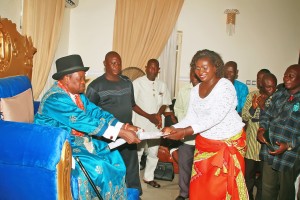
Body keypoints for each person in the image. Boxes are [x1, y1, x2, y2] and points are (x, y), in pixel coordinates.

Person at [34, 54, 141, 200]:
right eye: (80, 78)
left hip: (76, 141)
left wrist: (123, 126)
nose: (84, 82)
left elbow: (97, 113)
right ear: (66, 78)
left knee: (113, 155)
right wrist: (120, 133)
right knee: (98, 165)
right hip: (58, 146)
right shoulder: (55, 99)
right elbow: (83, 121)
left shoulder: (78, 95)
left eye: (84, 77)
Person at [162, 49, 248, 200]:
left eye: (205, 67)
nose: (200, 71)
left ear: (216, 66)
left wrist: (185, 132)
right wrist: (174, 128)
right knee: (201, 186)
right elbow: (191, 117)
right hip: (206, 144)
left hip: (228, 143)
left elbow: (215, 117)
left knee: (220, 190)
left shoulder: (225, 86)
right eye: (197, 67)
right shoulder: (195, 91)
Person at [86, 51, 158, 195]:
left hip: (128, 131)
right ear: (105, 64)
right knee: (110, 166)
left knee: (131, 165)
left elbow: (131, 104)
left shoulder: (127, 83)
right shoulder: (95, 86)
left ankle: (135, 194)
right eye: (113, 63)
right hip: (107, 134)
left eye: (119, 63)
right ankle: (112, 194)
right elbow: (90, 114)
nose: (116, 66)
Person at [257, 64, 300, 200]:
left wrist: (288, 145)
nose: (286, 79)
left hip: (289, 154)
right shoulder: (279, 94)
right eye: (285, 75)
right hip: (270, 150)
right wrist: (262, 128)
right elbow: (266, 113)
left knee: (285, 193)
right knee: (268, 189)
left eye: (291, 76)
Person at [132, 58, 172, 188]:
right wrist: (149, 116)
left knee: (153, 153)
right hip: (140, 122)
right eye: (150, 67)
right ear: (146, 67)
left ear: (158, 70)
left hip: (156, 123)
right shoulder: (137, 83)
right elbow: (133, 105)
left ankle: (148, 178)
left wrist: (158, 115)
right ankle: (135, 179)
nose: (152, 70)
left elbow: (165, 102)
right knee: (137, 152)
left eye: (155, 68)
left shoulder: (162, 84)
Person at [242, 70, 276, 200]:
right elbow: (244, 117)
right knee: (248, 179)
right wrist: (253, 107)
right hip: (251, 146)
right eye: (258, 79)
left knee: (264, 181)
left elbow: (276, 120)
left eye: (263, 80)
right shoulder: (252, 95)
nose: (260, 82)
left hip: (266, 147)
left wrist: (262, 107)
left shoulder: (275, 98)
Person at [173, 68, 200, 200]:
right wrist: (184, 121)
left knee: (200, 169)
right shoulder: (184, 90)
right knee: (184, 166)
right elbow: (177, 108)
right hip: (186, 137)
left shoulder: (206, 90)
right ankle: (183, 194)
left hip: (201, 138)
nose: (194, 76)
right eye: (192, 74)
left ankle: (197, 194)